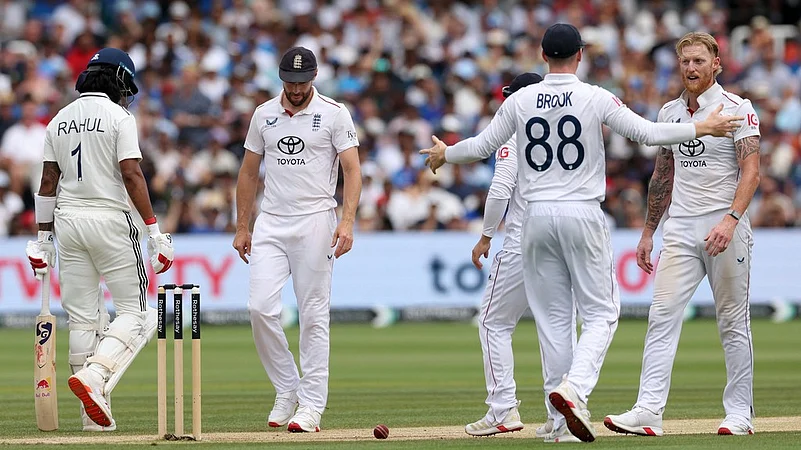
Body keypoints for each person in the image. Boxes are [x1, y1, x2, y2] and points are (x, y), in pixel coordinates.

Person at [420, 23, 743, 443]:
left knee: (554, 321)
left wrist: (446, 153)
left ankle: (561, 425)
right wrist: (699, 128)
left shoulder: (521, 99)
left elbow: (482, 145)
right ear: (580, 55)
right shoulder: (594, 95)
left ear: (542, 56)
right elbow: (646, 133)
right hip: (580, 211)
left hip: (533, 217)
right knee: (603, 313)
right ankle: (573, 391)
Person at [604, 32, 761, 437]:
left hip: (724, 225)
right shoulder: (670, 112)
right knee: (661, 315)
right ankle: (648, 411)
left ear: (716, 65)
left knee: (732, 321)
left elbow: (752, 171)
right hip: (680, 228)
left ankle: (739, 413)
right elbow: (662, 175)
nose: (691, 68)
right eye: (685, 61)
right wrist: (648, 230)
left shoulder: (737, 109)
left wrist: (730, 220)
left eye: (698, 61)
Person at [25, 48, 174, 431]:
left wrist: (43, 240)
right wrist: (155, 231)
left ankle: (93, 417)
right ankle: (96, 375)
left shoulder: (58, 120)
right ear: (120, 80)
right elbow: (131, 174)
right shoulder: (119, 117)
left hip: (67, 224)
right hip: (110, 220)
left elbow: (47, 183)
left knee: (83, 319)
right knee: (139, 315)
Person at [233, 46, 362, 433]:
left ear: (314, 78)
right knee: (260, 309)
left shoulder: (334, 114)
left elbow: (353, 171)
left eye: (302, 82)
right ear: (280, 77)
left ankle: (310, 406)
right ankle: (288, 387)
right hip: (272, 221)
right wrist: (243, 226)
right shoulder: (264, 114)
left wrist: (347, 221)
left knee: (313, 316)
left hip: (316, 221)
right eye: (290, 81)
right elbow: (247, 173)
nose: (296, 88)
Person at [464, 72, 579, 443]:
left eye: (511, 97)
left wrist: (484, 235)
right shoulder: (568, 126)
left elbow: (500, 188)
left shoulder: (515, 131)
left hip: (522, 242)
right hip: (565, 239)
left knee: (493, 323)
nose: (506, 104)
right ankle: (558, 416)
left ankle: (502, 409)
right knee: (557, 328)